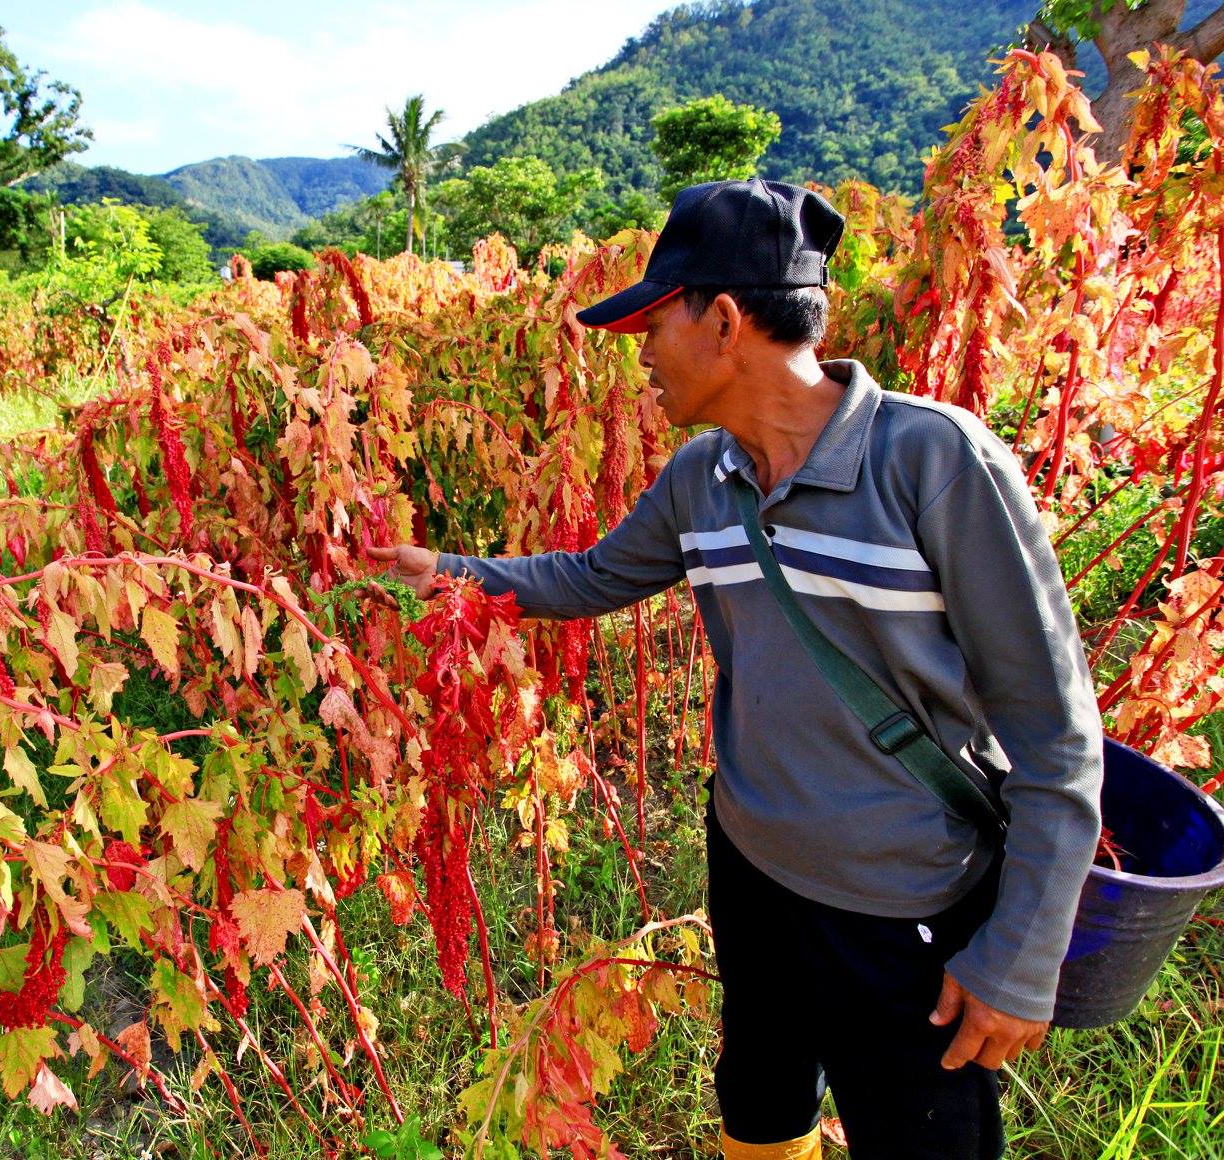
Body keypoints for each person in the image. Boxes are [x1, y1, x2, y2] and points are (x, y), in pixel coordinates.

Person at [365, 178, 1103, 1159]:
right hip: (752, 864)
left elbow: (1056, 728)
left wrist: (1020, 952)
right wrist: (450, 575)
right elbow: (591, 575)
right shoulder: (702, 478)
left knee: (920, 1132)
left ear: (723, 320)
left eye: (651, 325)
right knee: (759, 1095)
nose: (639, 355)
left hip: (901, 904)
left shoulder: (935, 464)